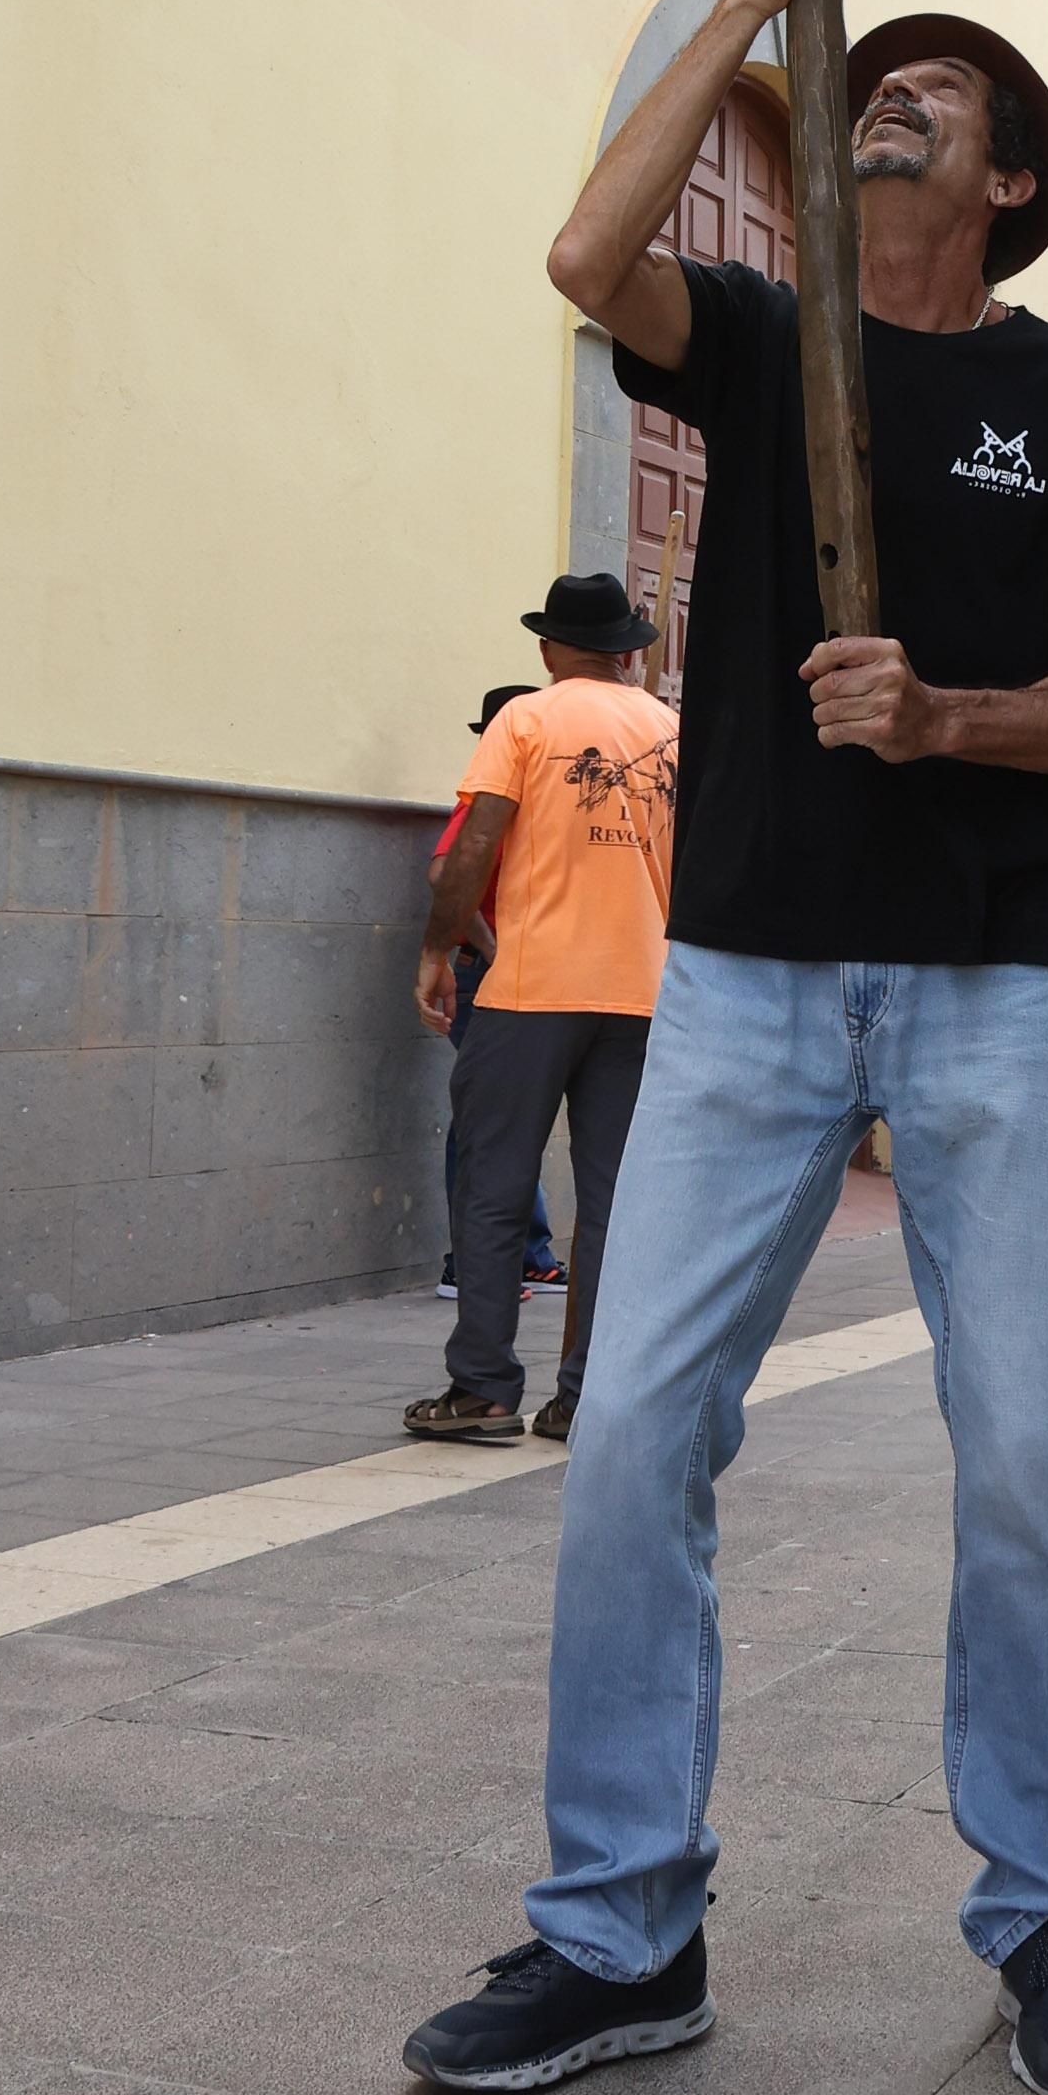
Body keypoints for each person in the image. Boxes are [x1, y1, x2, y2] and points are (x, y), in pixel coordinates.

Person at [402, 0, 1048, 2095]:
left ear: (1012, 175)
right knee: (629, 1444)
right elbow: (589, 252)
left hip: (980, 993)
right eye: (872, 73)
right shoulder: (766, 341)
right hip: (747, 989)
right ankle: (614, 1927)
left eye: (940, 87)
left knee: (1037, 1460)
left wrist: (954, 716)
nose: (896, 92)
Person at [410, 578, 676, 1448]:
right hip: (643, 994)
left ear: (547, 649)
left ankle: (484, 1389)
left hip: (530, 988)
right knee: (611, 1206)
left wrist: (437, 950)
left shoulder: (523, 721)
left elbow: (475, 842)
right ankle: (584, 1396)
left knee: (492, 1187)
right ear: (630, 650)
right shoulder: (675, 732)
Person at [430, 682, 566, 1302]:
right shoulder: (484, 799)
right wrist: (491, 947)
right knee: (490, 1119)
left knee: (506, 1117)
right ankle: (474, 1263)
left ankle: (525, 1255)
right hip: (484, 972)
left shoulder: (524, 798)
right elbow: (444, 871)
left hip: (513, 970)